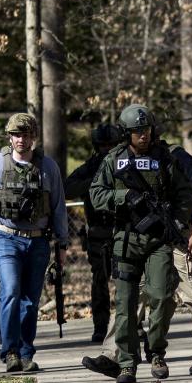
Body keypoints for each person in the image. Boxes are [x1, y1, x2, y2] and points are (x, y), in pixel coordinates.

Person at [81, 137, 192, 378]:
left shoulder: (175, 156)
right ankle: (113, 355)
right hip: (151, 239)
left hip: (181, 237)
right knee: (132, 299)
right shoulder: (127, 158)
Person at [89, 104, 192, 383]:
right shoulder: (114, 160)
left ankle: (157, 352)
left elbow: (185, 195)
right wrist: (124, 198)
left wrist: (179, 222)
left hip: (158, 240)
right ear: (126, 134)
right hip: (126, 239)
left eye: (146, 130)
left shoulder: (164, 159)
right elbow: (96, 194)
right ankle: (126, 362)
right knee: (125, 304)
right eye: (137, 132)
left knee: (160, 297)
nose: (143, 136)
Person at [0, 113, 69, 373]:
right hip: (5, 238)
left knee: (30, 301)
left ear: (33, 137)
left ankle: (26, 352)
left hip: (38, 242)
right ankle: (10, 351)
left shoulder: (48, 167)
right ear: (9, 137)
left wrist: (62, 245)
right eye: (16, 135)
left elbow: (59, 207)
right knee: (11, 291)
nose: (21, 140)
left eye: (25, 135)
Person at [65, 123, 121, 342]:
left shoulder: (125, 163)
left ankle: (133, 326)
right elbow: (68, 187)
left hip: (123, 233)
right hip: (98, 234)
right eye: (102, 145)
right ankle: (100, 327)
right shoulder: (92, 166)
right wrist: (95, 183)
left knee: (128, 283)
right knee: (99, 283)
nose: (106, 149)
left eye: (111, 145)